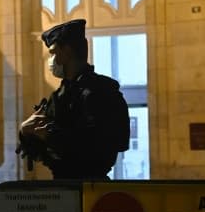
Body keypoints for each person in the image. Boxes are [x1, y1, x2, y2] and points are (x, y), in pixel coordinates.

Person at [17, 18, 130, 179]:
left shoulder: (101, 91)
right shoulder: (60, 95)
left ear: (67, 52)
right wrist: (26, 132)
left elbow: (97, 148)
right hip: (62, 184)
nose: (51, 60)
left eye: (53, 53)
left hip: (91, 186)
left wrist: (50, 136)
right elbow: (40, 153)